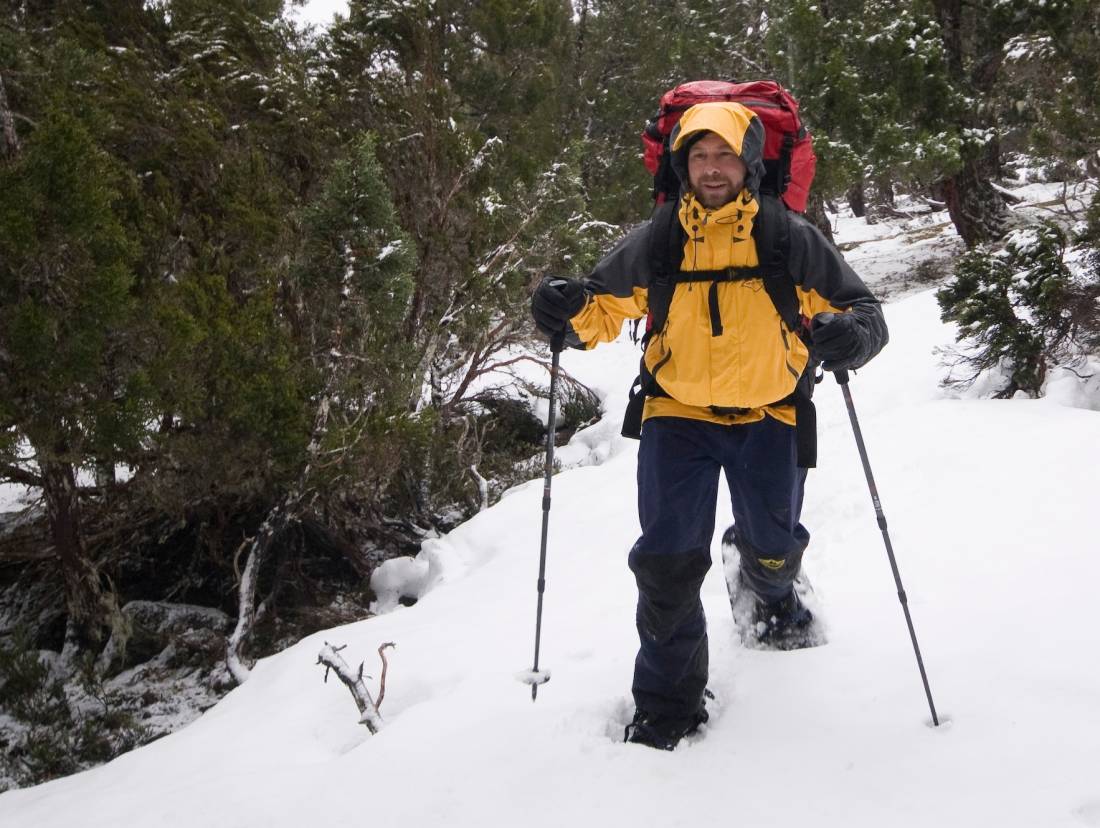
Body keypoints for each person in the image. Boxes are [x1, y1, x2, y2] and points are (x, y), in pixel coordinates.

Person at [530, 102, 888, 751]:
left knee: (773, 548)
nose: (712, 168)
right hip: (676, 416)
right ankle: (668, 706)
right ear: (682, 165)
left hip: (772, 415)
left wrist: (850, 336)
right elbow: (600, 311)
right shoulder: (661, 238)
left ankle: (771, 591)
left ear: (748, 162)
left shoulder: (787, 236)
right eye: (699, 156)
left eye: (723, 155)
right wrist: (564, 309)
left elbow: (862, 310)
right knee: (666, 567)